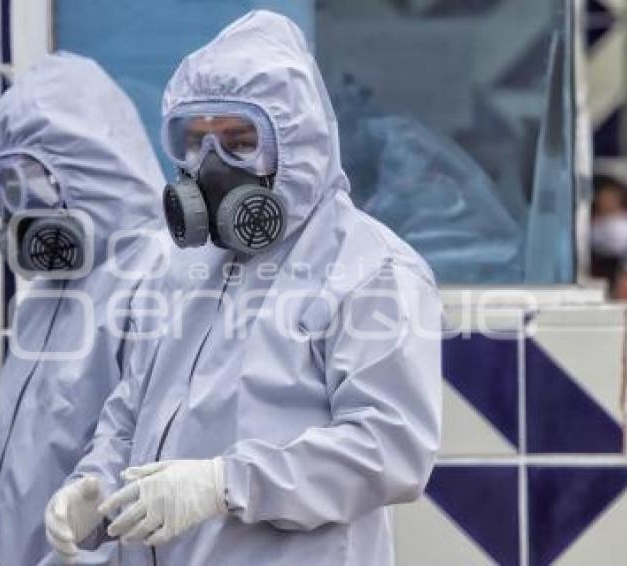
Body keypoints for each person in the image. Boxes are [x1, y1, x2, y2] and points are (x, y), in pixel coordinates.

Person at [45, 10, 442, 565]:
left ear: (296, 142)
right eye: (195, 142)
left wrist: (224, 483)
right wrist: (95, 480)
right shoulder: (181, 268)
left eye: (239, 141)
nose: (211, 166)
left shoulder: (372, 270)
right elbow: (131, 408)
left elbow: (391, 448)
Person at [0, 52, 166, 566]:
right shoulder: (49, 292)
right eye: (4, 188)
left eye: (29, 183)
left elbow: (152, 476)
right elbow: (36, 449)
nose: (17, 210)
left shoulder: (159, 284)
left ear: (90, 167)